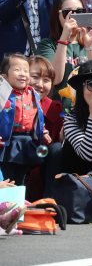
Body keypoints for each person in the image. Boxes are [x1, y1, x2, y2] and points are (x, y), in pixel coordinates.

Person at [37, 0, 92, 108]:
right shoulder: (47, 45)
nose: (75, 17)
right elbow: (54, 79)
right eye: (68, 13)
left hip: (91, 110)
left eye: (79, 12)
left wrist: (89, 45)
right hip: (58, 111)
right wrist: (64, 37)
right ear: (57, 15)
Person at [0, 53, 47, 184]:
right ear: (4, 76)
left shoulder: (33, 93)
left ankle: (20, 200)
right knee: (7, 176)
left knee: (21, 177)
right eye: (17, 70)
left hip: (26, 141)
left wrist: (43, 132)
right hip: (6, 142)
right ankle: (6, 202)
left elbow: (38, 116)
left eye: (26, 71)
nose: (23, 74)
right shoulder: (2, 93)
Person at [28, 55, 63, 144]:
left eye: (46, 80)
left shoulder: (55, 108)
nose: (40, 84)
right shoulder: (9, 103)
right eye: (35, 77)